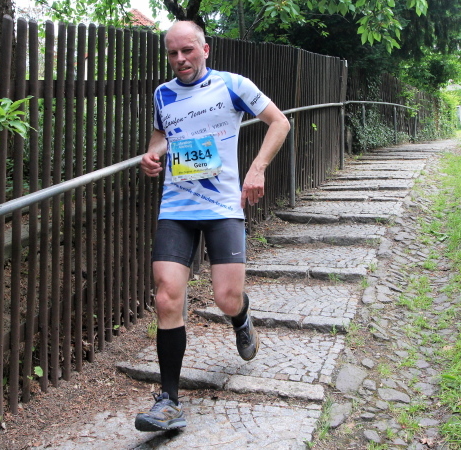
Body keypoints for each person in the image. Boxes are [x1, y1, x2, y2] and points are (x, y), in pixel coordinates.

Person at [134, 20, 290, 433]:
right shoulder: (162, 94)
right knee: (167, 296)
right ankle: (169, 401)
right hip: (177, 207)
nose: (180, 59)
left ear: (205, 49)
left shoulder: (232, 85)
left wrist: (257, 169)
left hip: (222, 207)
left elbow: (279, 122)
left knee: (226, 298)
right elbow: (161, 136)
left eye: (187, 50)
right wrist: (152, 155)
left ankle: (241, 317)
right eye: (172, 53)